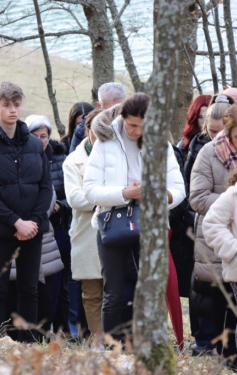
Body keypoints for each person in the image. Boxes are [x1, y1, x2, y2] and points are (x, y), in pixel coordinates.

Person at [83, 93, 185, 340]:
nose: (138, 131)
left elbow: (178, 189)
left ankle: (149, 347)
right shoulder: (104, 142)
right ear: (121, 117)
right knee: (113, 293)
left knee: (151, 290)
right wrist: (124, 193)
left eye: (143, 126)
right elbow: (90, 190)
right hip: (111, 223)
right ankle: (112, 350)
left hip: (150, 223)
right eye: (132, 125)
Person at [0, 82, 53, 342]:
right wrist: (16, 222)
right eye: (6, 105)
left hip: (33, 229)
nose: (13, 110)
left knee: (29, 289)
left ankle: (28, 343)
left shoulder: (33, 144)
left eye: (16, 105)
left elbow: (45, 187)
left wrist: (33, 222)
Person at [190, 104, 237, 366]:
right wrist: (231, 203)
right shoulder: (209, 153)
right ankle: (223, 356)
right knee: (220, 299)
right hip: (217, 240)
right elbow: (197, 198)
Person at [26, 114, 72, 336]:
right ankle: (39, 328)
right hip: (33, 227)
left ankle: (61, 330)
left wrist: (60, 206)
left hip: (58, 226)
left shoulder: (61, 159)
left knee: (59, 283)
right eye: (34, 136)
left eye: (43, 136)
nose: (39, 141)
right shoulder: (23, 158)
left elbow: (72, 193)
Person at [63, 110, 103, 343]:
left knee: (117, 290)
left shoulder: (118, 156)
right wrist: (110, 197)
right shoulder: (73, 161)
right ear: (88, 132)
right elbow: (75, 199)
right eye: (98, 133)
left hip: (115, 231)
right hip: (86, 232)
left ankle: (116, 338)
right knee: (91, 290)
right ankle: (96, 337)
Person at [185, 96, 233, 195]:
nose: (218, 136)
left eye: (223, 131)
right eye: (213, 131)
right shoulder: (204, 151)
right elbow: (198, 197)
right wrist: (231, 204)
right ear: (206, 127)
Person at [68, 83, 126, 153]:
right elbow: (76, 161)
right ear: (99, 106)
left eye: (119, 109)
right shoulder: (82, 130)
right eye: (110, 110)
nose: (115, 114)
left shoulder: (135, 124)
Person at [177, 95, 211, 161]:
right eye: (200, 117)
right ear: (194, 118)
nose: (205, 122)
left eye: (208, 117)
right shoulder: (184, 145)